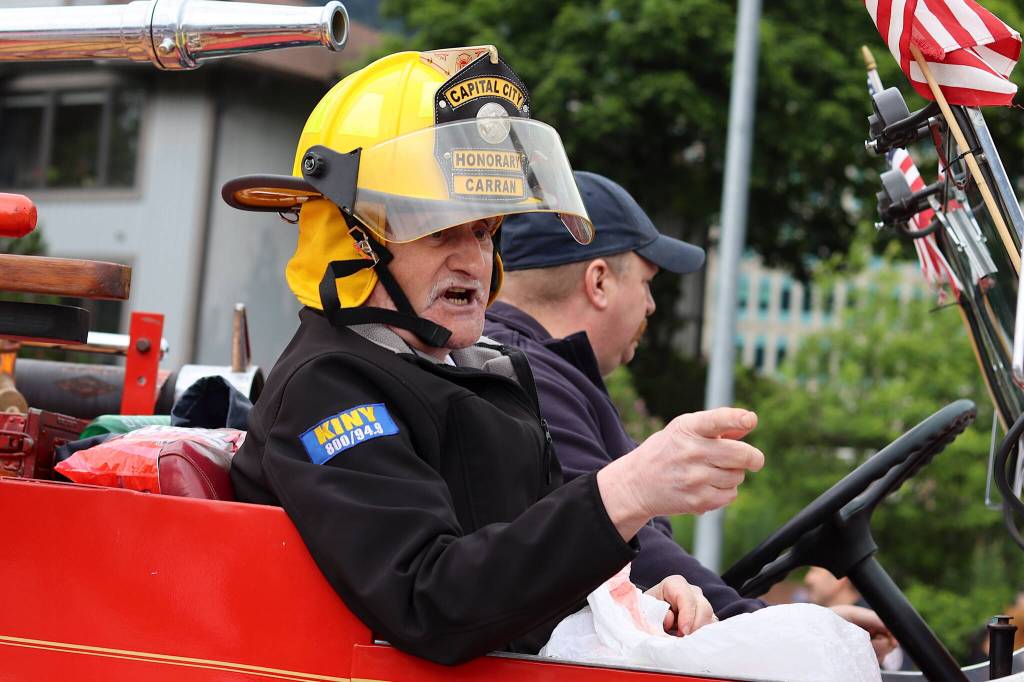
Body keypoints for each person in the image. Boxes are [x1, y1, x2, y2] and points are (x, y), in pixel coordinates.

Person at [224, 47, 764, 666]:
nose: (474, 260)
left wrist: (633, 595)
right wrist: (629, 488)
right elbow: (433, 601)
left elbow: (518, 571)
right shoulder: (328, 388)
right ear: (354, 238)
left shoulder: (478, 370)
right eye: (439, 230)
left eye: (484, 231)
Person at [484, 171, 897, 658]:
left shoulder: (544, 374)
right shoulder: (525, 379)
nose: (652, 306)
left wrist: (761, 618)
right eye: (647, 284)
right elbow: (609, 535)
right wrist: (765, 625)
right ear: (598, 282)